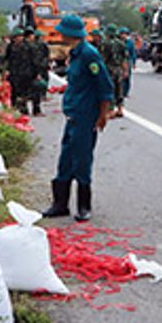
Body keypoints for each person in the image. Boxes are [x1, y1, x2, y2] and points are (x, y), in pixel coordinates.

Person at [42, 15, 114, 222]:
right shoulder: (74, 54)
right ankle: (60, 204)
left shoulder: (89, 55)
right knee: (65, 160)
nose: (60, 34)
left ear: (71, 34)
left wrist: (103, 115)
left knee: (82, 160)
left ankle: (84, 206)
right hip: (73, 115)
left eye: (62, 31)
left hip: (86, 116)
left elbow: (105, 87)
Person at [4, 27, 34, 114]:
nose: (19, 38)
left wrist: (35, 72)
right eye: (17, 36)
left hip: (26, 72)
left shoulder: (28, 46)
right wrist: (6, 70)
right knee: (14, 91)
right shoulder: (10, 47)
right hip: (14, 72)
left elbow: (33, 60)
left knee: (24, 92)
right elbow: (7, 59)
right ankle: (14, 108)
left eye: (20, 36)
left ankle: (24, 109)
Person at [101, 24, 128, 117]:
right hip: (118, 69)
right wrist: (125, 70)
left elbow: (102, 59)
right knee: (119, 89)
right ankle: (120, 109)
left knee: (110, 89)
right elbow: (124, 58)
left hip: (109, 69)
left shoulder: (105, 43)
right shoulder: (121, 43)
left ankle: (111, 110)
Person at [28, 29, 49, 116]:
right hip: (38, 69)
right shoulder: (39, 45)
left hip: (34, 69)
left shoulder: (31, 45)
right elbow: (45, 56)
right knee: (37, 88)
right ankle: (36, 109)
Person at [120, 27, 137, 97]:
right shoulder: (119, 42)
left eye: (125, 34)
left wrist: (133, 63)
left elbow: (133, 53)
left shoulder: (130, 42)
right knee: (121, 78)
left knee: (127, 77)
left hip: (127, 60)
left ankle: (126, 92)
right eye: (122, 34)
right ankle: (121, 92)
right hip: (120, 60)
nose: (123, 35)